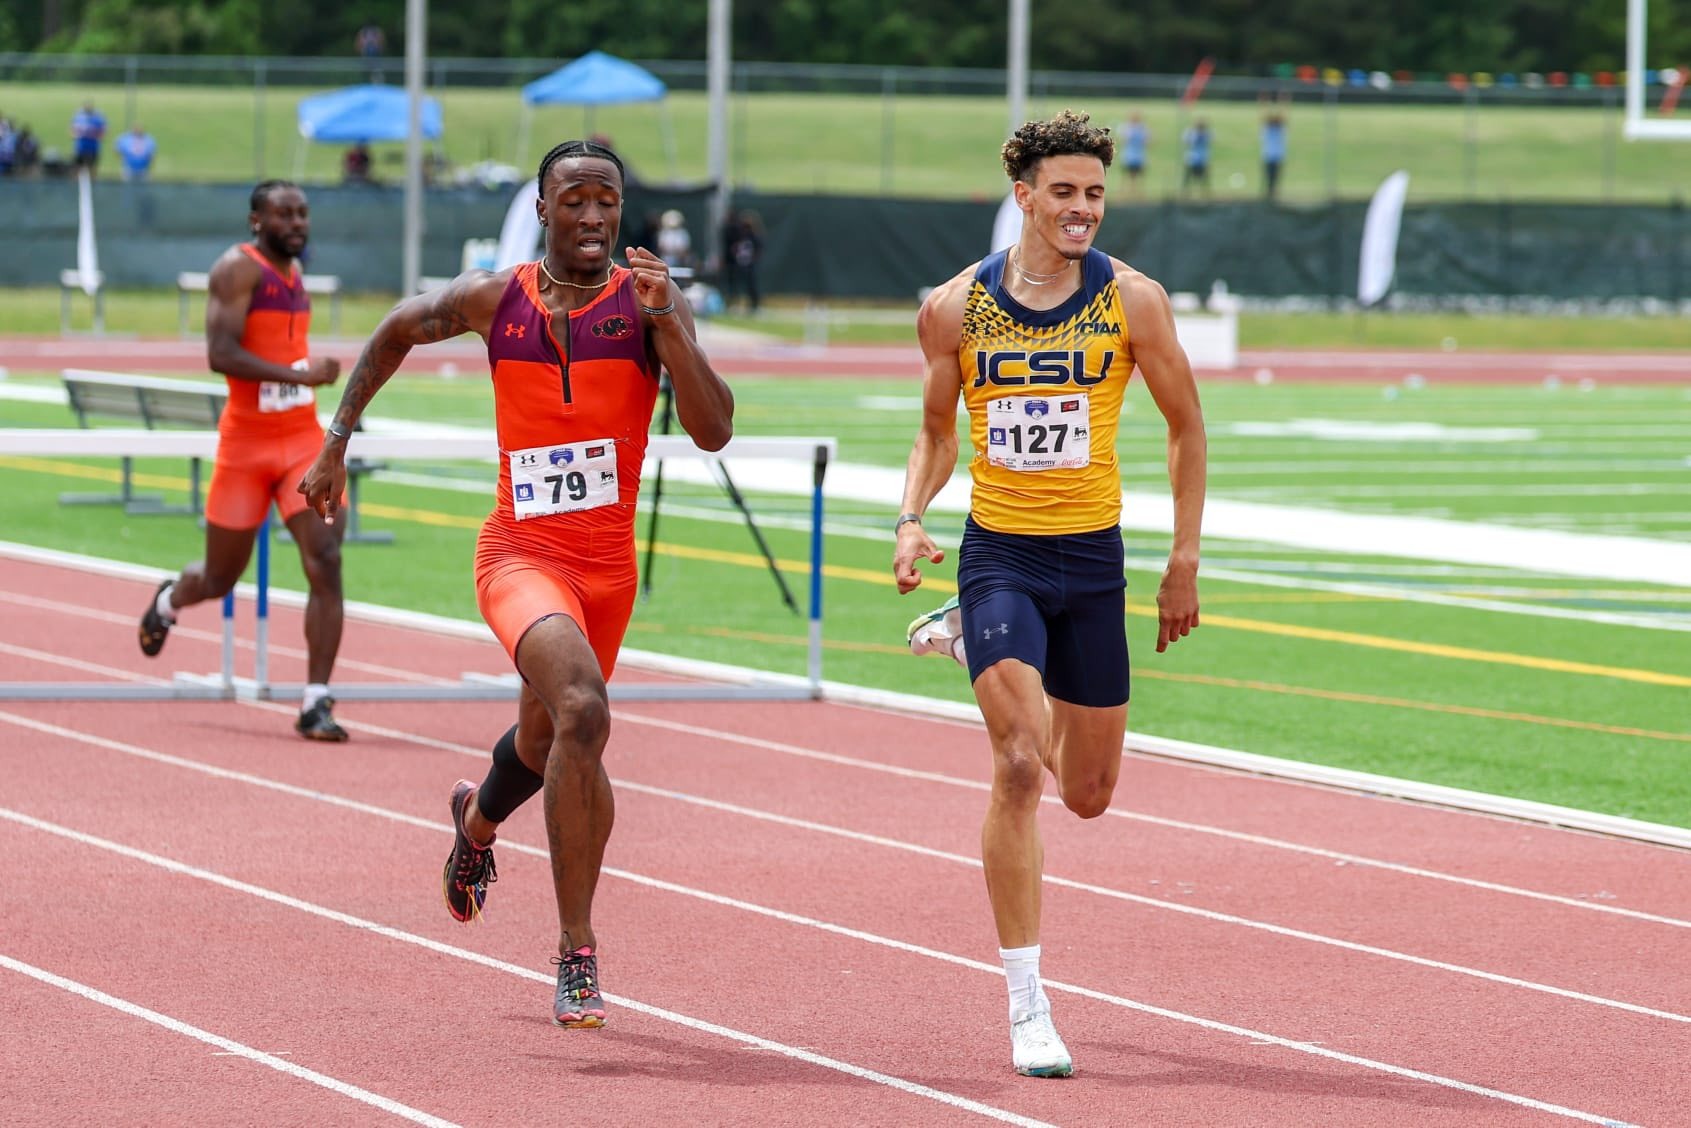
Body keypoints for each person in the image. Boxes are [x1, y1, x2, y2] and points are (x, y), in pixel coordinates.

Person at [298, 138, 734, 1028]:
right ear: (542, 209)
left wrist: (671, 330)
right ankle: (577, 954)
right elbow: (392, 331)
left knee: (544, 745)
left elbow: (713, 429)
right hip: (519, 556)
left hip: (606, 571)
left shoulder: (647, 299)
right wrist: (337, 439)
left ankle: (475, 825)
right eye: (574, 200)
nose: (592, 216)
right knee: (583, 710)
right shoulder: (496, 299)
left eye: (607, 200)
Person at [892, 109, 1206, 1078]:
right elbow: (938, 432)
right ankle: (1027, 1005)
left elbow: (1186, 431)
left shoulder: (1133, 303)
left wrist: (1182, 559)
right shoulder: (955, 308)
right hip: (1000, 559)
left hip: (1091, 567)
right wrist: (909, 516)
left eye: (1094, 193)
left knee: (1087, 795)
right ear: (1021, 195)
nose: (1080, 210)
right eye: (1062, 192)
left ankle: (962, 641)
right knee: (1018, 767)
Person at [137, 180, 350, 741]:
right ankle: (168, 598)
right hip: (247, 446)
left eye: (303, 213)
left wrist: (304, 382)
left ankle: (315, 700)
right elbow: (221, 353)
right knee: (217, 577)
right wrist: (300, 374)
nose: (297, 223)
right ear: (257, 220)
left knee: (325, 558)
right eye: (284, 214)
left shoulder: (295, 272)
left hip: (302, 441)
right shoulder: (237, 268)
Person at [720, 207, 763, 313]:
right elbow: (733, 247)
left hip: (749, 264)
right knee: (733, 284)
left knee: (750, 285)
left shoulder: (754, 236)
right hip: (738, 263)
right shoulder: (738, 235)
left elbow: (758, 249)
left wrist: (752, 259)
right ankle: (732, 303)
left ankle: (754, 305)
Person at [1118, 112, 1148, 196]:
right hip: (1131, 156)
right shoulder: (1131, 128)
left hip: (1135, 156)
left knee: (1135, 177)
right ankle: (1127, 193)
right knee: (1128, 176)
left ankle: (1135, 193)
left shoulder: (1139, 128)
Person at [70, 102, 106, 172]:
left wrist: (95, 136)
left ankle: (93, 182)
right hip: (80, 147)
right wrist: (77, 135)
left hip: (93, 147)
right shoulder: (78, 118)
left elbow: (103, 132)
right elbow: (72, 131)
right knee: (78, 167)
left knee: (92, 167)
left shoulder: (97, 119)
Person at [1261, 110, 1287, 200]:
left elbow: (1282, 118)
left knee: (1274, 178)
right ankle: (1270, 194)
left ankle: (1272, 194)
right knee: (1270, 178)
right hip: (1270, 156)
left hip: (1274, 157)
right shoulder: (1268, 130)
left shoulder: (1279, 130)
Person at [1180, 118, 1210, 196]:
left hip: (1201, 159)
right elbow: (1185, 140)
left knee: (1203, 179)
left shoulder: (1205, 134)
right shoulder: (1192, 133)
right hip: (1193, 159)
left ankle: (1203, 193)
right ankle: (1186, 193)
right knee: (1188, 178)